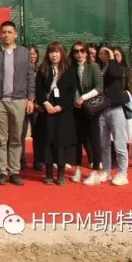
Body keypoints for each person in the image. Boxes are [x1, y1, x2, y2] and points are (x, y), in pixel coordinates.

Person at [0, 21, 35, 186]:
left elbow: (30, 76)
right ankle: (2, 172)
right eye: (3, 32)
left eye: (9, 32)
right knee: (0, 138)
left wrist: (30, 99)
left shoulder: (24, 53)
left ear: (15, 34)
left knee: (16, 138)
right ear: (0, 34)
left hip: (19, 101)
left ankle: (14, 171)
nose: (6, 35)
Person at [82, 45, 130, 186]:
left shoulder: (119, 69)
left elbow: (114, 73)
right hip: (101, 110)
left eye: (108, 53)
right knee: (104, 144)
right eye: (102, 53)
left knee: (119, 143)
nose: (105, 56)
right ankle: (106, 171)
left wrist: (111, 58)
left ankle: (122, 173)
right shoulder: (99, 69)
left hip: (116, 110)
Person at [35, 42, 77, 186]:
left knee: (60, 142)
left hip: (63, 113)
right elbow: (39, 89)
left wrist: (61, 106)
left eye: (57, 52)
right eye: (51, 52)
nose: (54, 55)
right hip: (47, 111)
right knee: (47, 142)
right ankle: (48, 174)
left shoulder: (69, 70)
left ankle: (60, 174)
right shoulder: (43, 69)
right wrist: (45, 103)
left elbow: (71, 91)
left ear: (62, 53)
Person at [69, 41, 103, 183]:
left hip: (90, 108)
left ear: (86, 52)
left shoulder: (93, 66)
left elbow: (99, 87)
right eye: (76, 51)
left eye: (82, 51)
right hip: (76, 109)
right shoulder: (71, 68)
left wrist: (83, 98)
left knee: (94, 139)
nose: (79, 54)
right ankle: (77, 169)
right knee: (77, 140)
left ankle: (95, 172)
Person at [21, 45, 42, 171]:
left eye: (34, 53)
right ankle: (21, 160)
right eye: (29, 54)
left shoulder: (42, 69)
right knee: (20, 134)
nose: (32, 56)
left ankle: (38, 161)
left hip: (38, 107)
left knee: (38, 135)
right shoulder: (20, 69)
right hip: (22, 105)